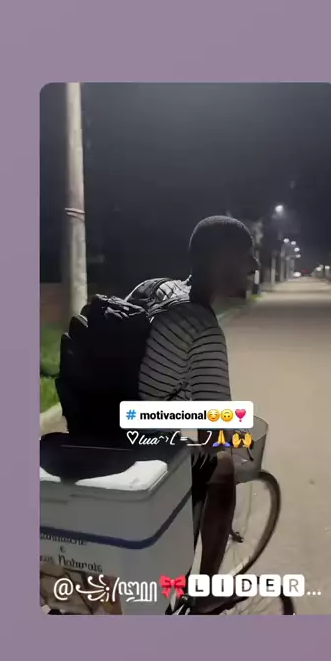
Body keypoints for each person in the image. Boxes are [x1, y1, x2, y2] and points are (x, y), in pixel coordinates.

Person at [127, 216, 258, 585]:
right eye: (246, 256)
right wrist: (241, 443)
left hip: (103, 422)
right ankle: (208, 592)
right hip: (144, 443)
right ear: (220, 261)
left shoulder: (154, 288)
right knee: (225, 466)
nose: (253, 267)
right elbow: (218, 431)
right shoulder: (203, 328)